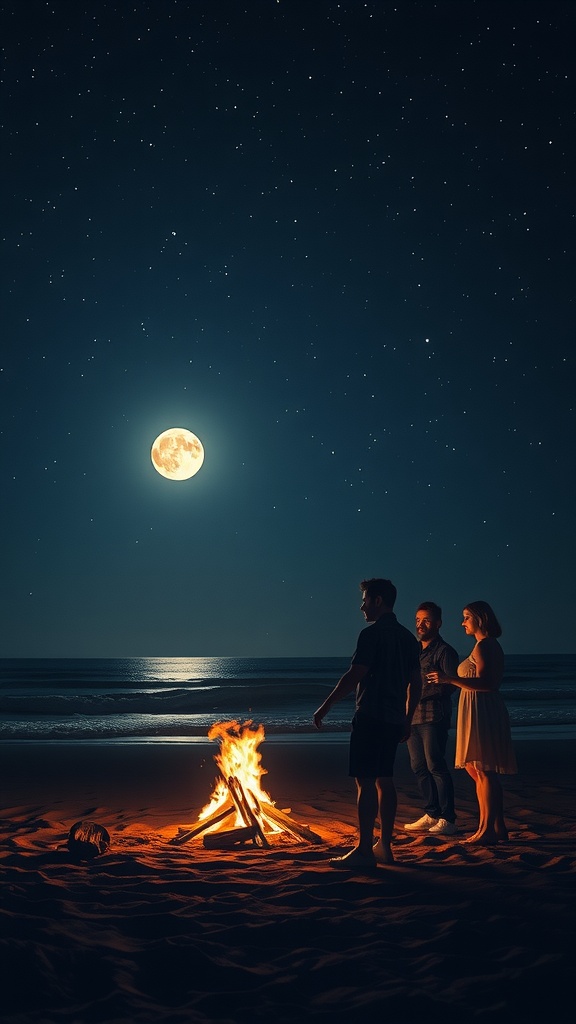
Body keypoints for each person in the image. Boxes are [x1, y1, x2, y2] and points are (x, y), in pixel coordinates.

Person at [313, 578, 422, 870]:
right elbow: (416, 684)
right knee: (385, 780)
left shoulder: (371, 635)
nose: (361, 605)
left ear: (377, 600)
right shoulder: (408, 639)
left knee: (365, 781)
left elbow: (355, 675)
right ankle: (384, 846)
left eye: (364, 599)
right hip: (393, 718)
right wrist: (407, 719)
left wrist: (326, 705)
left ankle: (364, 850)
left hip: (371, 715)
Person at [427, 601, 517, 845]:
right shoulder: (483, 646)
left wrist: (449, 679)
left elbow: (487, 683)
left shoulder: (486, 645)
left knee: (485, 770)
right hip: (477, 708)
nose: (462, 622)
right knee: (477, 769)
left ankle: (488, 828)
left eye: (466, 617)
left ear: (480, 618)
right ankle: (494, 826)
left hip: (483, 710)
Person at [404, 602, 459, 836]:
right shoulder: (412, 650)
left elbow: (451, 685)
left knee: (435, 765)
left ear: (437, 623)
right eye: (417, 620)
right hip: (411, 715)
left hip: (433, 716)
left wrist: (437, 684)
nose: (420, 624)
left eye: (426, 620)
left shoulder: (445, 651)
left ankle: (448, 818)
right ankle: (431, 813)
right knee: (418, 767)